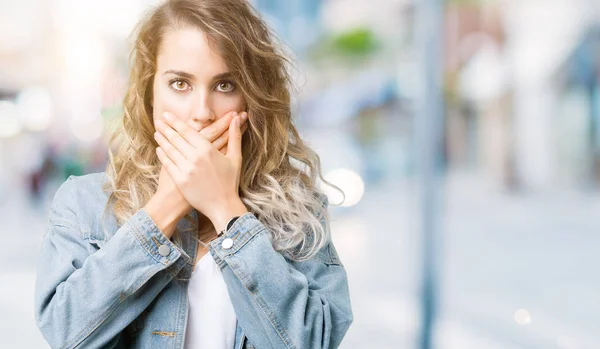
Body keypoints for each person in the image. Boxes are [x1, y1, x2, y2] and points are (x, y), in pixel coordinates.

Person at [33, 0, 354, 348]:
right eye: (180, 84)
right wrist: (166, 207)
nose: (202, 113)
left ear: (251, 98)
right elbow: (66, 336)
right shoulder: (84, 204)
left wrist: (227, 211)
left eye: (225, 85)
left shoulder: (297, 208)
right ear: (150, 93)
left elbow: (313, 342)